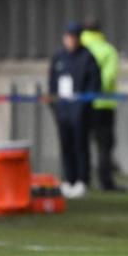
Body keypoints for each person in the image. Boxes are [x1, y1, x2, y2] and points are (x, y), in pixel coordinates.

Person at [48, 23, 101, 199]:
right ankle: (68, 179)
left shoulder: (87, 57)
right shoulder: (58, 57)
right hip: (63, 110)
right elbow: (52, 84)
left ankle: (81, 180)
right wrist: (55, 105)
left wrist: (84, 105)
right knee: (66, 146)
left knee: (81, 145)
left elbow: (94, 84)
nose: (70, 41)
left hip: (80, 111)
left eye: (73, 37)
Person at [80, 18, 124, 192]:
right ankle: (106, 181)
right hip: (104, 104)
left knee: (81, 143)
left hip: (82, 103)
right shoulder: (108, 50)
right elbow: (109, 77)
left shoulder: (80, 49)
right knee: (104, 146)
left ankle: (81, 180)